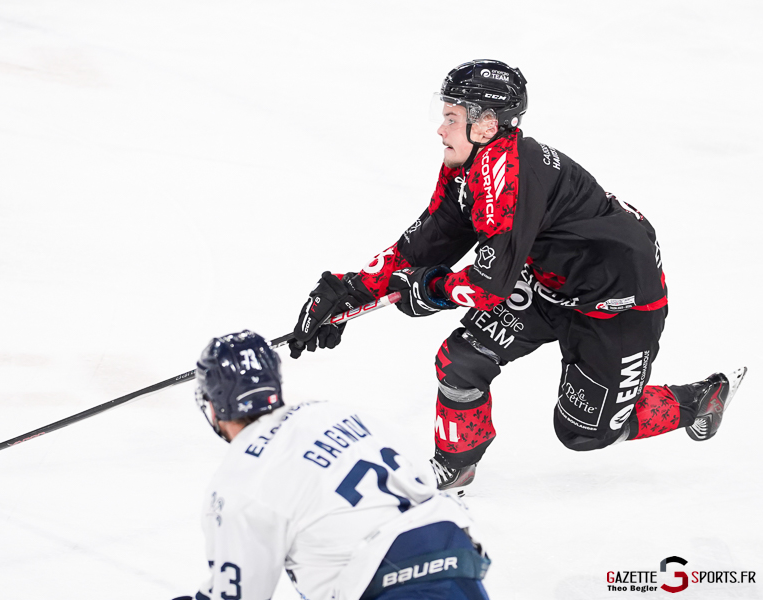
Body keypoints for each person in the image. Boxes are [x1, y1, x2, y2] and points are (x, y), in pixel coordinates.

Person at [288, 59, 747, 492]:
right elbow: (430, 240)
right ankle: (454, 467)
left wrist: (428, 289)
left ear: (486, 124)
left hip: (616, 299)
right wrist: (348, 290)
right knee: (461, 361)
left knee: (584, 433)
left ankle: (698, 400)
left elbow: (488, 286)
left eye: (451, 117)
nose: (440, 128)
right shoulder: (470, 167)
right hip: (547, 282)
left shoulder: (508, 173)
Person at [174, 330, 491, 600]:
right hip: (456, 556)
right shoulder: (333, 413)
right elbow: (419, 472)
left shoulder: (240, 478)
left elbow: (239, 593)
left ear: (213, 406)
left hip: (387, 583)